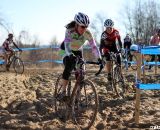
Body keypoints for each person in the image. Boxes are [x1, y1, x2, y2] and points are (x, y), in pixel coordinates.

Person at [59, 12, 102, 98]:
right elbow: (67, 45)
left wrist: (99, 59)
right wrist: (70, 55)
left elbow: (93, 46)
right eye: (82, 26)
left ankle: (76, 97)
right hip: (65, 50)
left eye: (86, 27)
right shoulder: (69, 30)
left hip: (78, 51)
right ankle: (63, 91)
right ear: (76, 25)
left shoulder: (87, 33)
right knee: (69, 66)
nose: (84, 29)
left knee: (81, 73)